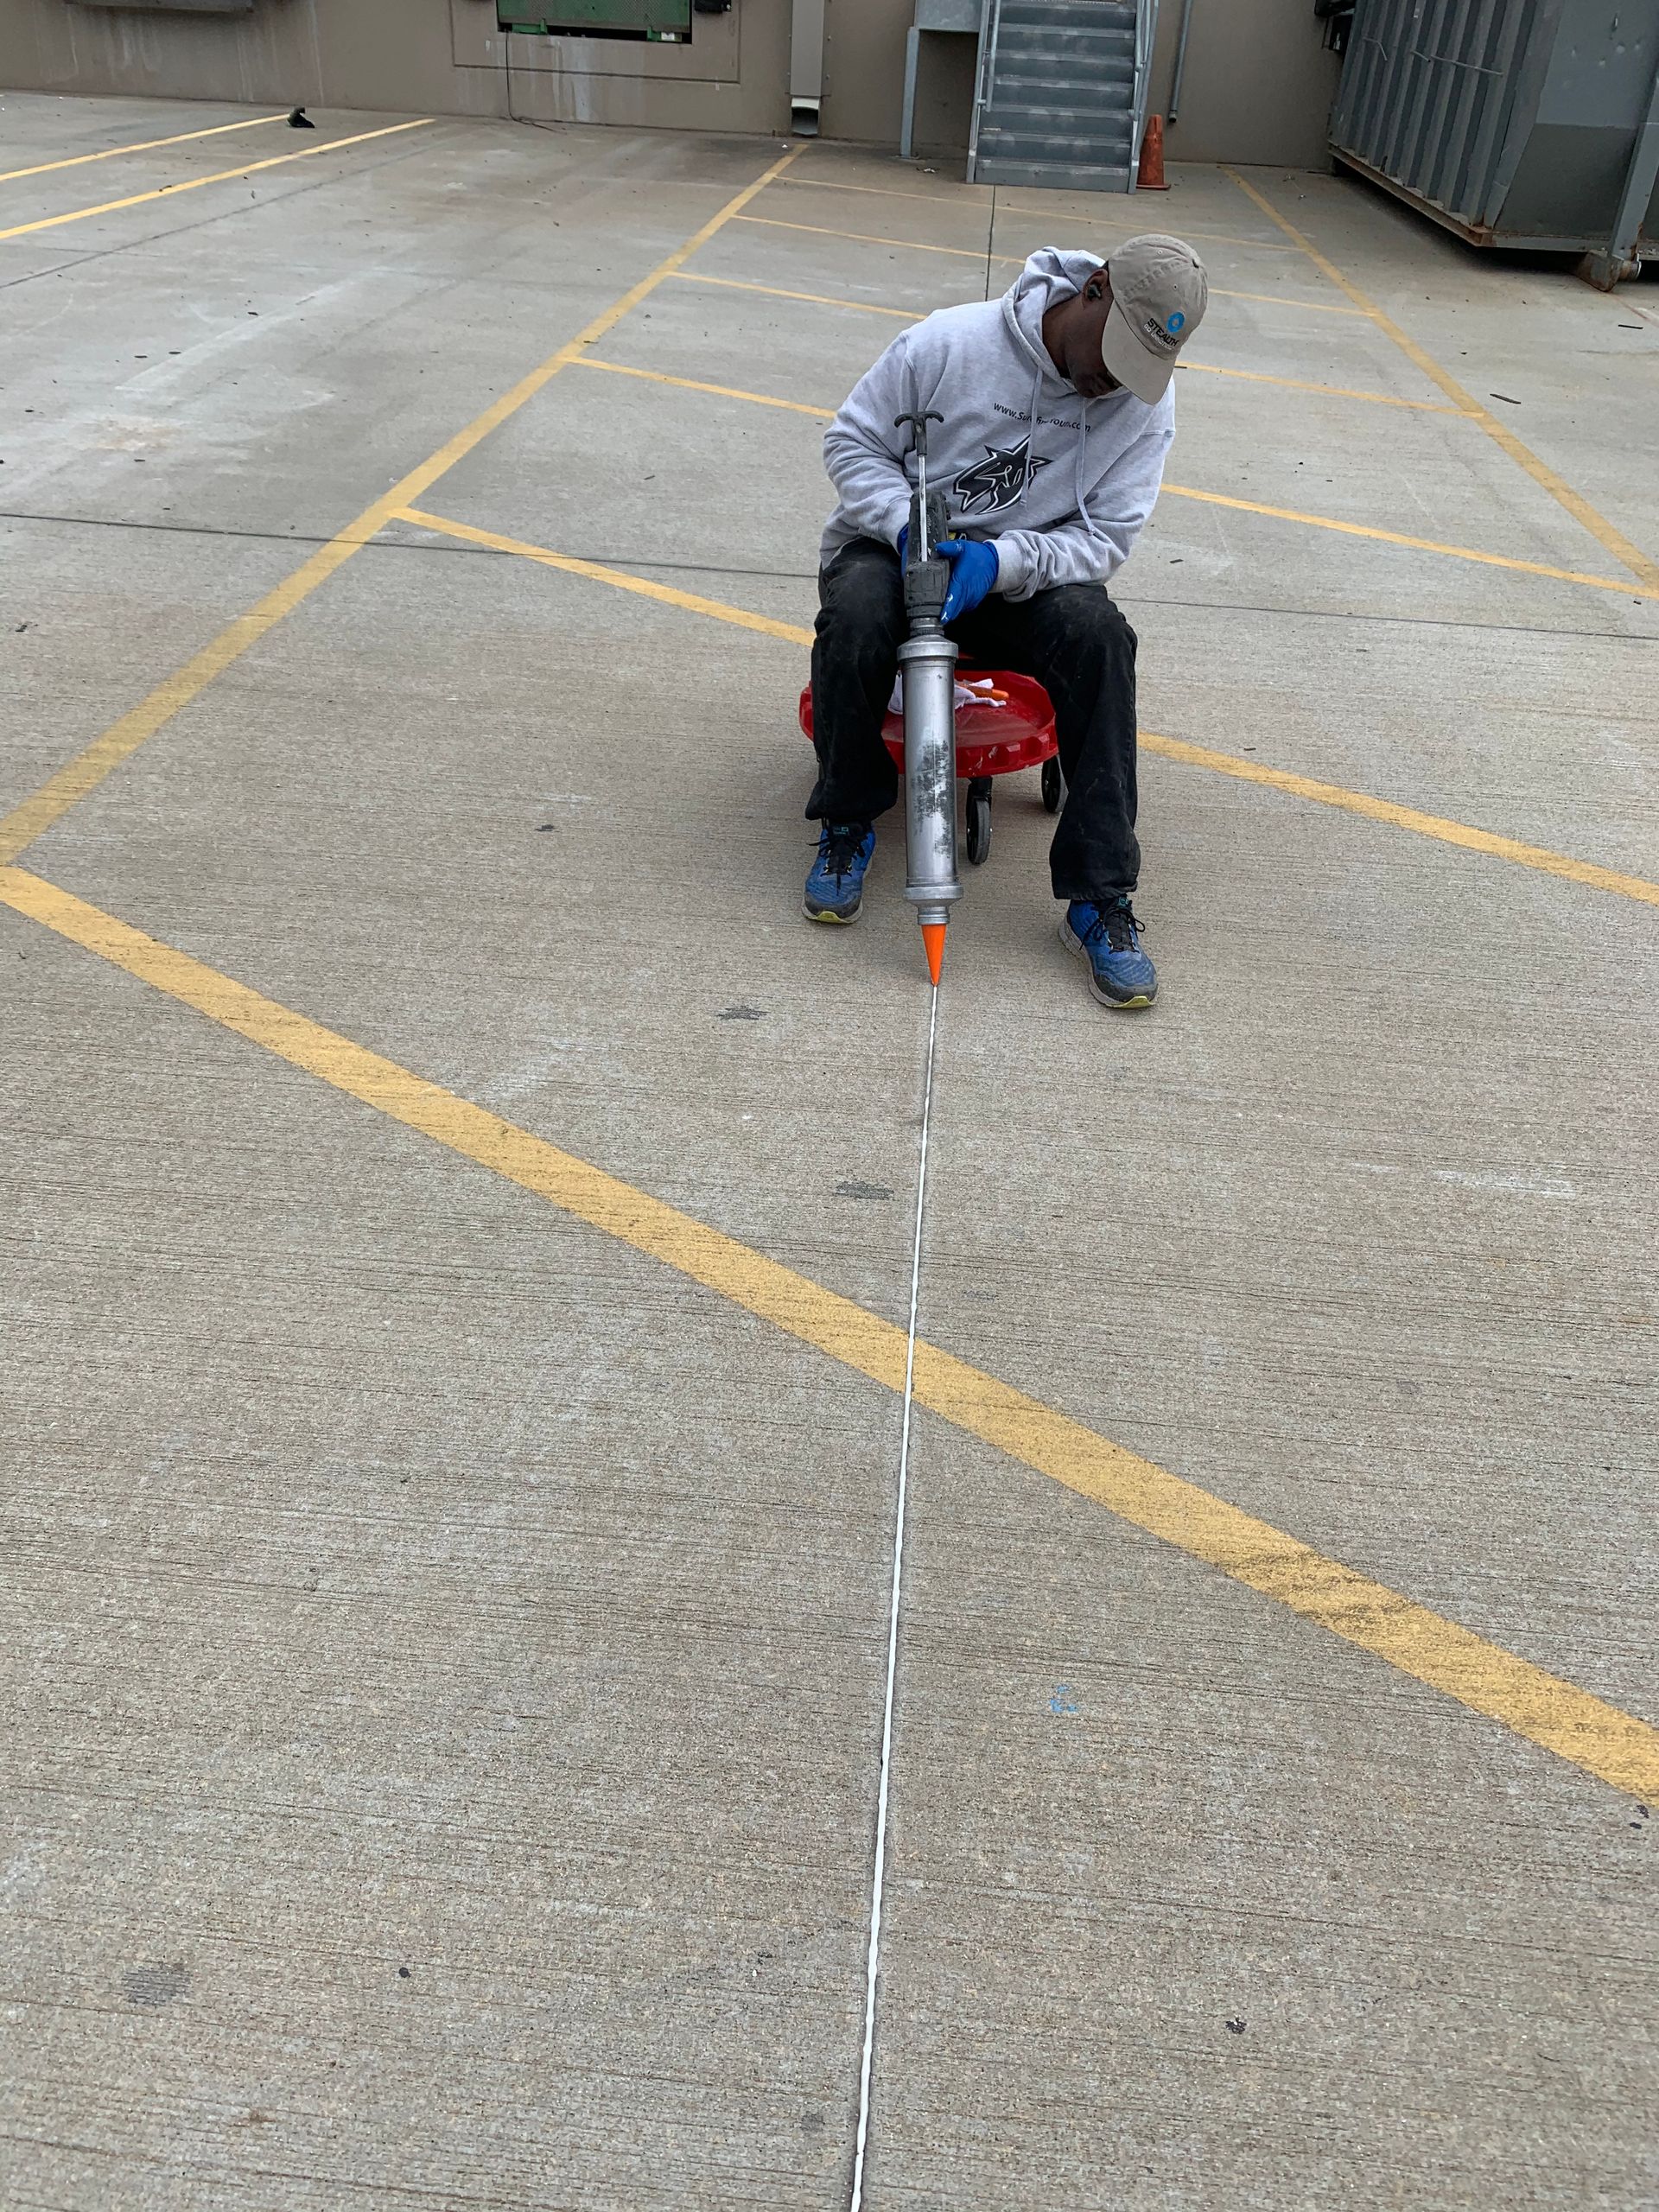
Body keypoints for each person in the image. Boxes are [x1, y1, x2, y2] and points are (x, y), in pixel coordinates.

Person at [803, 234, 1207, 1008]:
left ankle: (1099, 897)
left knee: (1101, 639)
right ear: (1092, 291)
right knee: (854, 614)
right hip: (896, 550)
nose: (1112, 383)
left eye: (1139, 370)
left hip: (1017, 577)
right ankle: (849, 820)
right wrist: (910, 530)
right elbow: (851, 443)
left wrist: (1003, 563)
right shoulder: (947, 343)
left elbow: (1105, 538)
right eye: (1114, 353)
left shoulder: (1143, 406)